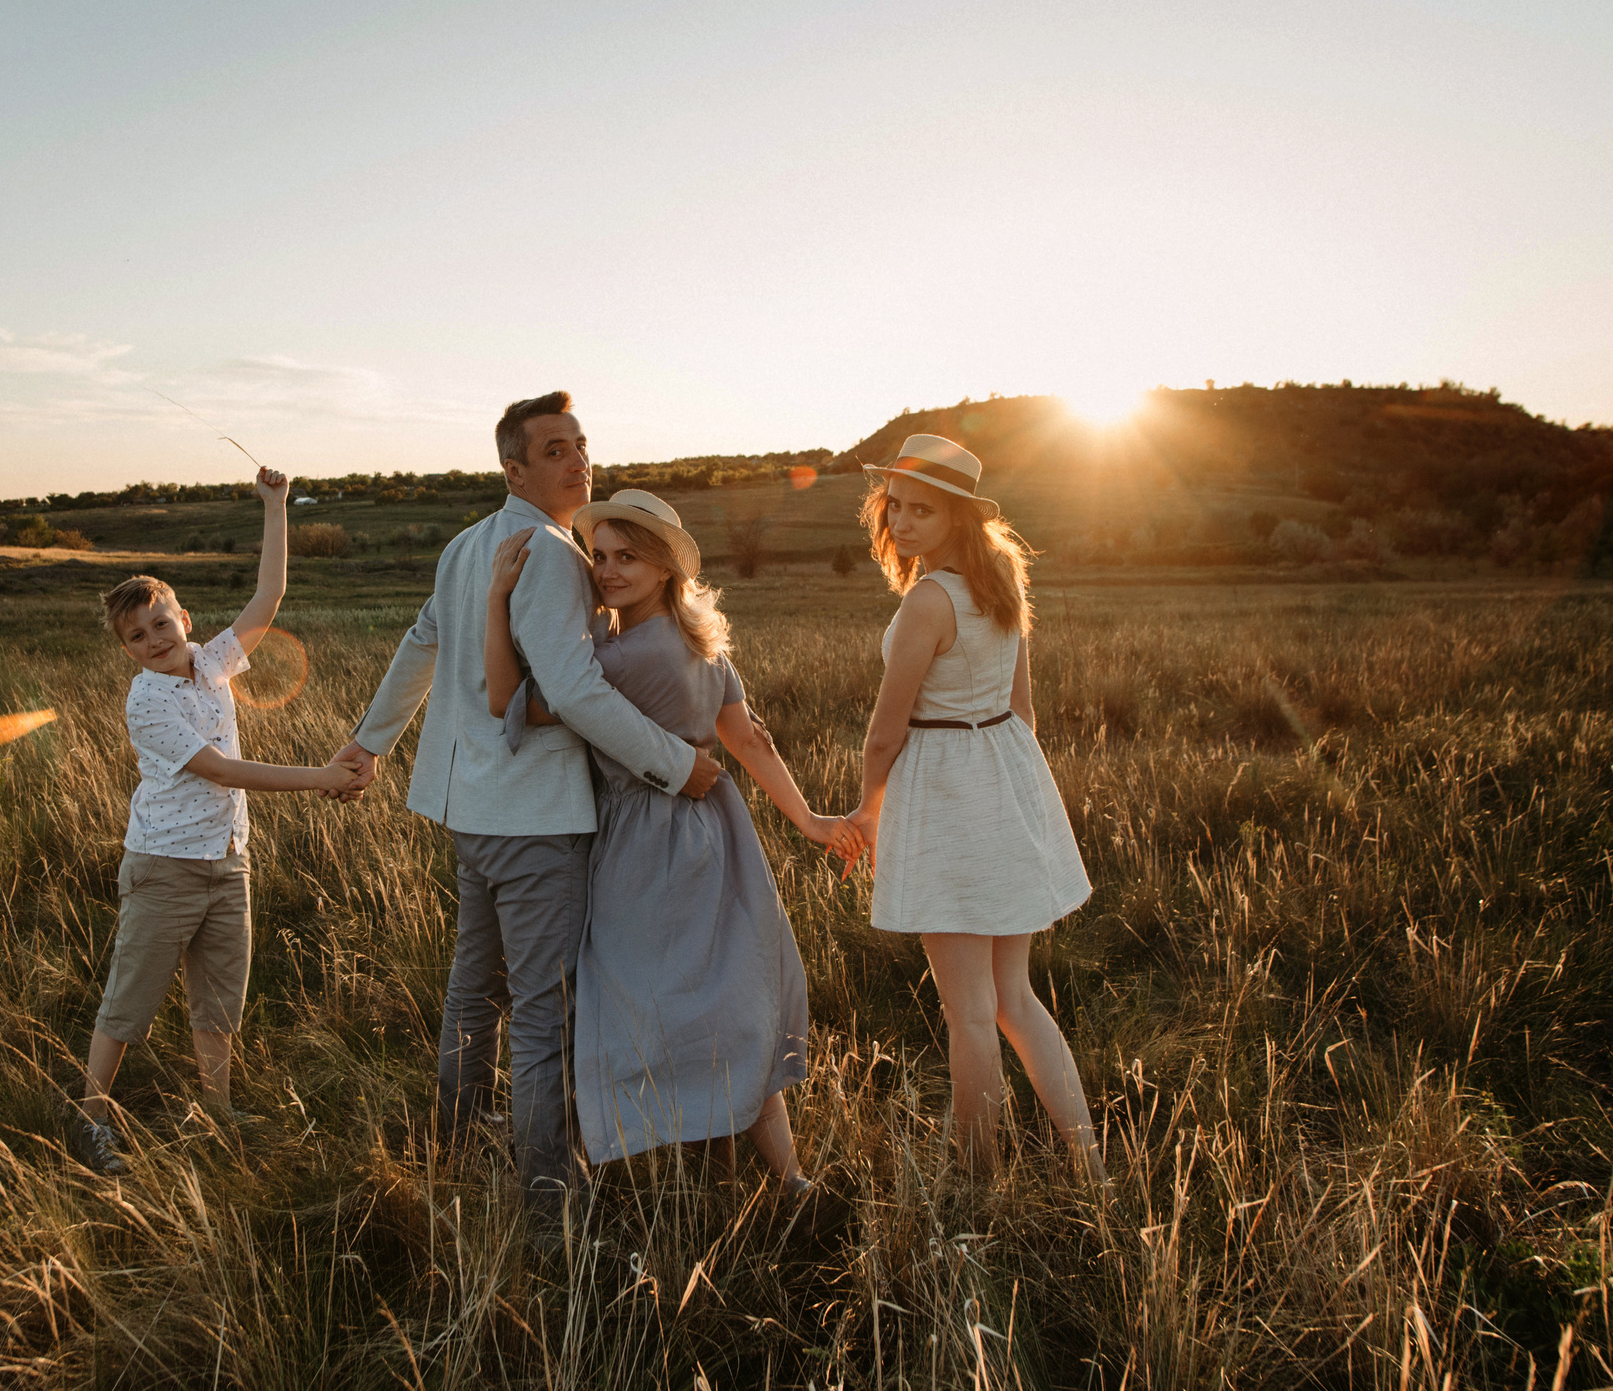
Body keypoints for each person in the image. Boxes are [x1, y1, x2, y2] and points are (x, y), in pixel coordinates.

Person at [326, 393, 724, 1235]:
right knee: (542, 1010)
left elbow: (418, 643)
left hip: (475, 813)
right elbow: (575, 691)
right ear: (515, 469)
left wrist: (371, 742)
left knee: (476, 992)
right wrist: (677, 762)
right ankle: (548, 1207)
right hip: (535, 820)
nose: (578, 460)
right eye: (554, 450)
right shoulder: (546, 554)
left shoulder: (468, 543)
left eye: (581, 443)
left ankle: (454, 1152)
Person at [484, 489, 848, 1190]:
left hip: (645, 842)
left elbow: (506, 698)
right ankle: (786, 1178)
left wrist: (499, 601)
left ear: (662, 569)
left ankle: (650, 1170)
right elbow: (750, 742)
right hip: (718, 833)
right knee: (723, 994)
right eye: (599, 556)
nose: (608, 570)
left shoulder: (625, 659)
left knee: (640, 998)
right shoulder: (700, 642)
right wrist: (808, 820)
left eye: (628, 557)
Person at [71, 466, 362, 1175]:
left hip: (228, 860)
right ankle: (88, 1119)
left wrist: (275, 506)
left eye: (161, 622)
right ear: (126, 649)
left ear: (184, 619)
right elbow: (225, 771)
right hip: (166, 867)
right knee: (129, 1002)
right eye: (136, 635)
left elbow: (270, 594)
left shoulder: (211, 664)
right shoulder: (148, 702)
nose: (153, 638)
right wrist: (320, 777)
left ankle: (217, 1109)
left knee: (219, 997)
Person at [841, 433, 1102, 1178]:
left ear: (959, 516)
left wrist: (868, 811)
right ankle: (1091, 1164)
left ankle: (978, 1177)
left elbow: (883, 732)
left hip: (948, 797)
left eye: (923, 508)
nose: (903, 520)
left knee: (970, 1011)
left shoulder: (930, 599)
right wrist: (1013, 795)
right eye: (895, 505)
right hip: (1000, 779)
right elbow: (1023, 714)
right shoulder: (1002, 583)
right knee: (1013, 998)